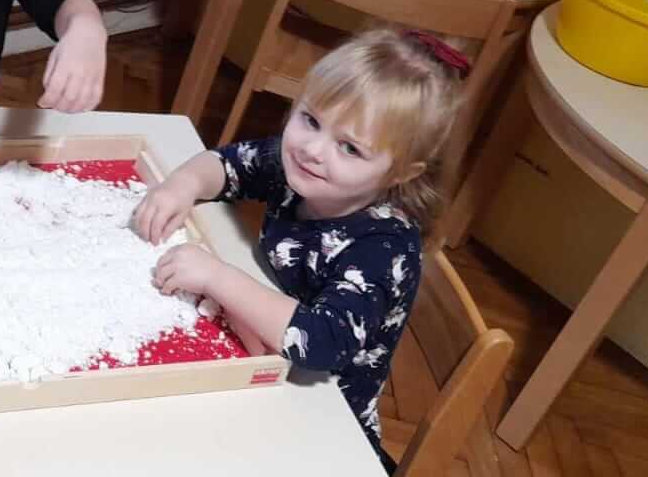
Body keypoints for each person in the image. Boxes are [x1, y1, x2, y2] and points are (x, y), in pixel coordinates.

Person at [132, 28, 469, 473]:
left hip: (325, 426)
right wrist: (182, 185)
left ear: (401, 173)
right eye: (311, 120)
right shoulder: (299, 167)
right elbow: (227, 165)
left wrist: (217, 277)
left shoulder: (384, 249)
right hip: (267, 365)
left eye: (350, 148)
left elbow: (319, 342)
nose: (313, 150)